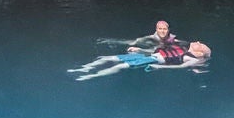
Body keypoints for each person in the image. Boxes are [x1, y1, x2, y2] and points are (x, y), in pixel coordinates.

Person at [68, 40, 211, 81]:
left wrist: (160, 68)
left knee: (121, 66)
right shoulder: (182, 48)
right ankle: (85, 68)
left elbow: (179, 68)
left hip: (151, 62)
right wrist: (139, 50)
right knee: (107, 58)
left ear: (199, 53)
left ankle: (91, 76)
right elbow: (158, 51)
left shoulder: (191, 59)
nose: (198, 41)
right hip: (148, 57)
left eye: (201, 44)